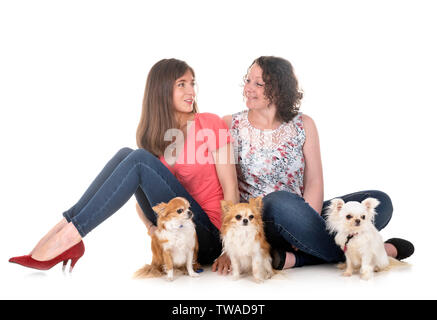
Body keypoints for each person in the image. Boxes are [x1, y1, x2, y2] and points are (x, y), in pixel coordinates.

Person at [9, 58, 239, 270]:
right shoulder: (160, 137)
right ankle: (63, 229)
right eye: (182, 84)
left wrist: (230, 249)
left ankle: (69, 237)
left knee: (138, 158)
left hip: (208, 235)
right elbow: (143, 199)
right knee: (126, 154)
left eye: (192, 83)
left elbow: (231, 189)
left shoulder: (210, 123)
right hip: (175, 230)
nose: (191, 91)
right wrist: (151, 229)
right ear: (161, 90)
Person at [212, 56, 414, 274]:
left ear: (279, 89)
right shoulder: (229, 124)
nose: (248, 89)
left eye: (258, 83)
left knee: (378, 201)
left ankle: (295, 258)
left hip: (302, 212)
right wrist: (228, 246)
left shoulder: (304, 123)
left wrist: (306, 225)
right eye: (248, 81)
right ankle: (377, 252)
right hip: (259, 222)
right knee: (279, 201)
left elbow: (314, 180)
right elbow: (228, 187)